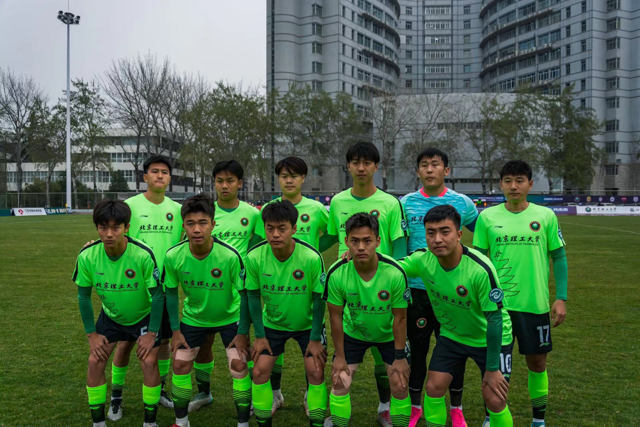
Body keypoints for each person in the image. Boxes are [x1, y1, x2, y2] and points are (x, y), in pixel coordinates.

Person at [398, 205, 514, 427]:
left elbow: (495, 319)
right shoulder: (423, 260)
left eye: (445, 232)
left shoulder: (480, 269)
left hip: (489, 338)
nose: (437, 239)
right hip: (453, 336)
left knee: (494, 398)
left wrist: (492, 369)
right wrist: (359, 257)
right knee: (433, 387)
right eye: (431, 233)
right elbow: (390, 268)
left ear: (459, 234)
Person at [473, 160, 568, 427]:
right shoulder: (487, 218)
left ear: (530, 184)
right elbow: (478, 262)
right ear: (500, 184)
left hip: (534, 305)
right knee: (496, 367)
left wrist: (561, 297)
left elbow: (559, 257)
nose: (513, 186)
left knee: (537, 364)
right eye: (508, 181)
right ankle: (492, 416)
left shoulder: (545, 216)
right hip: (497, 308)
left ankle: (538, 420)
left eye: (519, 181)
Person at [327, 142, 408, 426]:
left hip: (383, 287)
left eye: (367, 163)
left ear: (376, 166)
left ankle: (386, 406)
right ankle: (338, 409)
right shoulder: (338, 202)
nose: (361, 168)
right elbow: (331, 239)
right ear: (348, 166)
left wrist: (395, 278)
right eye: (355, 162)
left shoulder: (390, 203)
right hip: (349, 287)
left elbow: (400, 249)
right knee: (342, 371)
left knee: (388, 365)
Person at [400, 148, 479, 427]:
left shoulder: (462, 202)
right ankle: (415, 406)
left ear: (446, 170)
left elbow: (481, 231)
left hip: (452, 290)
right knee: (417, 352)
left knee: (455, 349)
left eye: (435, 165)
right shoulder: (405, 203)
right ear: (418, 171)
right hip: (418, 290)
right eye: (424, 165)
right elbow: (398, 242)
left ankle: (456, 408)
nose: (429, 169)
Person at [73, 200, 165, 427]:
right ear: (97, 228)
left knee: (149, 360)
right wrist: (91, 335)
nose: (109, 234)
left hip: (143, 316)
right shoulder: (87, 255)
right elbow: (83, 296)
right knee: (95, 359)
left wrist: (152, 333)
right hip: (111, 317)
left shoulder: (142, 254)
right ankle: (99, 422)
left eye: (116, 228)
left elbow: (158, 296)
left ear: (127, 227)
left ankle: (150, 422)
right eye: (103, 227)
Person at [163, 194, 251, 427]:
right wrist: (175, 331)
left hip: (230, 317)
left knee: (239, 365)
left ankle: (243, 423)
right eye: (190, 223)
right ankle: (182, 421)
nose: (196, 229)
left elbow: (245, 295)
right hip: (194, 318)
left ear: (213, 224)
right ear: (183, 226)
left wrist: (242, 332)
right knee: (180, 364)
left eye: (203, 223)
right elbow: (170, 293)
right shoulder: (173, 256)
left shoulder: (230, 255)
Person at [254, 156, 333, 414]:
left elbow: (332, 234)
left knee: (314, 359)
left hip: (305, 278)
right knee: (273, 353)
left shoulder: (317, 208)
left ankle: (312, 395)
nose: (289, 180)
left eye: (294, 176)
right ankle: (275, 394)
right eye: (284, 176)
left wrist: (314, 251)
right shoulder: (269, 209)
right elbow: (261, 242)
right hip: (277, 282)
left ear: (303, 178)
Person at [109, 155, 183, 420]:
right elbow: (112, 236)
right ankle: (116, 397)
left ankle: (160, 389)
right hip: (135, 287)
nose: (159, 175)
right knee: (126, 343)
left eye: (164, 172)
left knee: (163, 342)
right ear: (145, 177)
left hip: (164, 288)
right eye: (154, 171)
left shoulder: (178, 210)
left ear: (169, 177)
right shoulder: (130, 206)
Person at [187, 160, 262, 413]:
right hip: (206, 289)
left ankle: (248, 398)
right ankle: (204, 393)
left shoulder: (252, 214)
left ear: (240, 183)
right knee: (204, 344)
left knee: (241, 345)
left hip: (238, 292)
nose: (225, 185)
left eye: (230, 180)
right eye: (220, 181)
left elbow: (257, 249)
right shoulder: (204, 214)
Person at [246, 200, 328, 427]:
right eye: (270, 228)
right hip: (273, 325)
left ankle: (314, 412)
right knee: (259, 372)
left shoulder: (311, 257)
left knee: (316, 372)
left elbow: (319, 299)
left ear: (294, 229)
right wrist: (259, 336)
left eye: (282, 228)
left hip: (307, 326)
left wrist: (315, 339)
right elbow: (252, 296)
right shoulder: (254, 256)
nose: (275, 234)